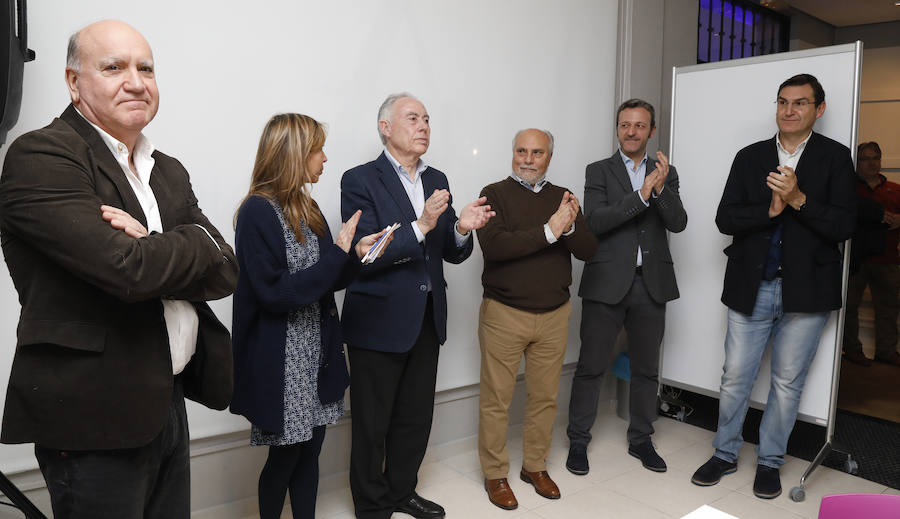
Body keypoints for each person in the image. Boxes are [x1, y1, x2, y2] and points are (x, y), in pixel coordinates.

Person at [0, 20, 237, 518]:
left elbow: (227, 269)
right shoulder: (43, 155)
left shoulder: (165, 169)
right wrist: (191, 242)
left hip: (167, 399)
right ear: (73, 82)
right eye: (114, 67)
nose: (136, 81)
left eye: (145, 68)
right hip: (94, 415)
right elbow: (129, 271)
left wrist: (155, 244)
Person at [691, 74, 856, 499]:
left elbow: (845, 225)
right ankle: (725, 454)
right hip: (753, 284)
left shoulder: (835, 158)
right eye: (783, 102)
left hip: (807, 290)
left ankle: (769, 462)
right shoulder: (750, 157)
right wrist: (769, 208)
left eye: (800, 103)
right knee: (734, 378)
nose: (789, 110)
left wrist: (799, 200)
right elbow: (725, 219)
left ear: (819, 109)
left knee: (787, 383)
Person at [340, 92, 494, 519]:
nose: (424, 125)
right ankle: (372, 507)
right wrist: (422, 223)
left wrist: (461, 228)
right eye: (413, 118)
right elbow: (366, 255)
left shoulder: (436, 177)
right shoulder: (359, 179)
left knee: (415, 417)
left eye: (427, 118)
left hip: (427, 318)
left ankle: (401, 491)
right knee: (373, 423)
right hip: (377, 321)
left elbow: (448, 251)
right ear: (386, 128)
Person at [230, 114, 389, 519]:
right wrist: (338, 252)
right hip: (282, 365)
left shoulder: (307, 206)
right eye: (317, 149)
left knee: (311, 453)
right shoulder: (256, 213)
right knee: (284, 460)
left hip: (316, 356)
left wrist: (355, 255)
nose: (324, 157)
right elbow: (275, 293)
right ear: (295, 154)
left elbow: (324, 279)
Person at [565, 99, 687, 476]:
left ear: (652, 131)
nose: (631, 132)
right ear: (617, 129)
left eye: (639, 125)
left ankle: (641, 440)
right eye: (624, 125)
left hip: (651, 284)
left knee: (646, 368)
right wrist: (641, 196)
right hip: (606, 282)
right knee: (591, 365)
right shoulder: (598, 170)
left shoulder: (667, 172)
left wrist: (661, 188)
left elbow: (678, 222)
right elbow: (597, 221)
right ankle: (578, 441)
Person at [476, 129, 596, 510]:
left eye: (537, 152)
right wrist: (549, 231)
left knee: (544, 398)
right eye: (521, 151)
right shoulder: (494, 193)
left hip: (554, 315)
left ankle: (535, 467)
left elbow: (589, 250)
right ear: (513, 153)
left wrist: (571, 224)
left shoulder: (563, 197)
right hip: (505, 314)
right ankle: (495, 474)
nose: (528, 159)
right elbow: (496, 247)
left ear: (549, 156)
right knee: (497, 400)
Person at [842, 141, 900, 367]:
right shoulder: (848, 189)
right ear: (857, 162)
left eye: (875, 157)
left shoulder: (895, 189)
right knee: (849, 306)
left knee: (888, 308)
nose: (872, 163)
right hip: (856, 258)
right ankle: (852, 350)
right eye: (866, 158)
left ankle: (887, 351)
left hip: (887, 259)